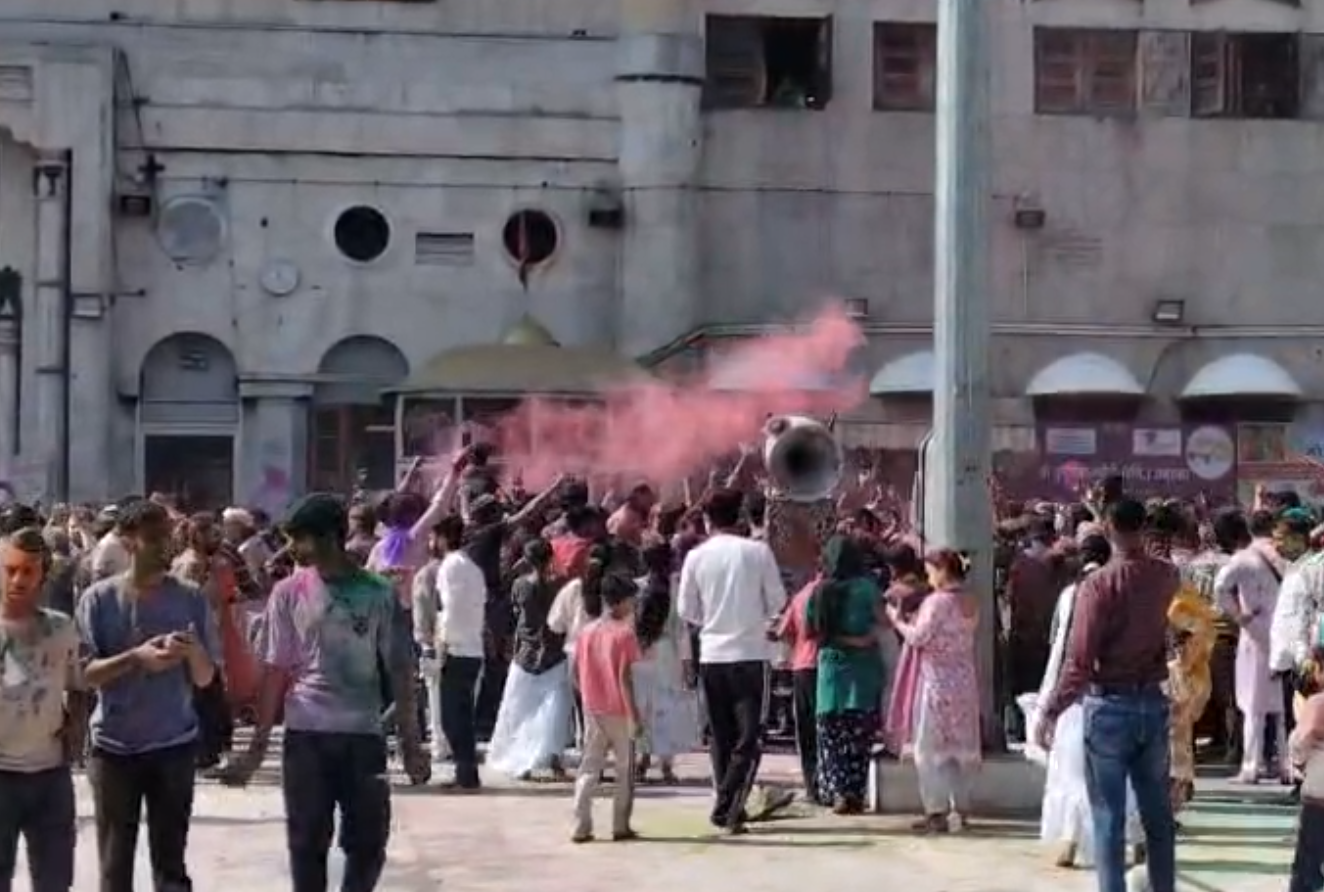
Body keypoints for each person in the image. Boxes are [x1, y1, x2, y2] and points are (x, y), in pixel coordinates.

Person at [221, 493, 428, 892]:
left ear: (331, 537)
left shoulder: (378, 593)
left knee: (368, 845)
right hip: (306, 739)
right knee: (306, 844)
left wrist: (410, 739)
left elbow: (400, 668)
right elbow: (275, 671)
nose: (293, 549)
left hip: (363, 737)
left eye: (301, 539)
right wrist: (258, 747)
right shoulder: (289, 592)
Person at [1036, 498, 1179, 892]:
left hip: (1108, 705)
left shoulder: (1097, 585)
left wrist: (1051, 710)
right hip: (1151, 701)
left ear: (1109, 528)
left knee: (1108, 817)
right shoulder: (1167, 575)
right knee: (1157, 817)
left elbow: (1079, 661)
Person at [77, 498, 218, 892]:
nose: (164, 546)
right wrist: (136, 658)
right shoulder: (99, 601)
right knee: (114, 866)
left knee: (171, 866)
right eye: (153, 538)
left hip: (174, 745)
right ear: (127, 541)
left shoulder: (190, 597)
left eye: (167, 537)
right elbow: (84, 675)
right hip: (113, 748)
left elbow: (206, 679)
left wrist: (192, 652)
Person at [1021, 534, 1143, 868]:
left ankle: (1071, 842)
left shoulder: (1070, 594)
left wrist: (1051, 703)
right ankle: (1133, 840)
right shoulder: (1127, 590)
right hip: (1120, 694)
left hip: (1078, 697)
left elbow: (1061, 651)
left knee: (1073, 774)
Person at [676, 488, 790, 835]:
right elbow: (777, 601)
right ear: (739, 516)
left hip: (712, 654)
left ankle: (728, 805)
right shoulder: (758, 552)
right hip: (751, 655)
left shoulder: (696, 557)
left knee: (722, 736)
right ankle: (728, 804)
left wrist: (713, 621)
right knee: (750, 736)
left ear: (708, 520)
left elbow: (686, 611)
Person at [0, 527, 86, 892]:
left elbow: (78, 684)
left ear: (43, 576)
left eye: (28, 571)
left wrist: (77, 729)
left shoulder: (61, 627)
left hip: (50, 777)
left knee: (54, 881)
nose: (18, 579)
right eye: (10, 569)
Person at [888, 548, 981, 833]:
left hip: (937, 682)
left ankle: (935, 810)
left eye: (930, 571)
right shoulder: (971, 601)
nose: (928, 577)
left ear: (942, 571)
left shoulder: (936, 602)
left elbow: (919, 637)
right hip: (964, 681)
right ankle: (961, 808)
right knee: (960, 748)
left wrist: (897, 620)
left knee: (928, 750)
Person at [806, 535, 884, 815]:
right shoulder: (867, 588)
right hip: (863, 674)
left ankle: (837, 791)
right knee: (859, 739)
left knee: (832, 737)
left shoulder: (819, 591)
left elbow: (811, 633)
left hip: (830, 673)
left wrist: (840, 639)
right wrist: (862, 640)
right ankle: (855, 793)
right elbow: (883, 623)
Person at [487, 538, 573, 781]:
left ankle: (520, 761)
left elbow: (517, 615)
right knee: (556, 712)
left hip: (525, 653)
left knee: (518, 710)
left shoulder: (520, 585)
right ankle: (555, 762)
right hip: (555, 654)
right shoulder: (561, 585)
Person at [570, 573, 644, 844]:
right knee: (624, 770)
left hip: (593, 709)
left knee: (589, 767)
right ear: (621, 602)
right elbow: (625, 677)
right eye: (631, 601)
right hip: (618, 711)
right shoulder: (625, 635)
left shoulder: (586, 631)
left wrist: (587, 695)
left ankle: (580, 825)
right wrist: (634, 715)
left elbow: (575, 671)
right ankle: (620, 824)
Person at [1213, 511, 1285, 783]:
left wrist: (1237, 615)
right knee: (1280, 705)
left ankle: (1251, 766)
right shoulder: (1281, 557)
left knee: (1252, 704)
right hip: (1282, 633)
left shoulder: (1242, 559)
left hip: (1253, 633)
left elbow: (1220, 588)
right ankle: (1284, 763)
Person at [632, 540, 698, 784]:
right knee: (667, 707)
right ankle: (666, 766)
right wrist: (688, 663)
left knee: (644, 706)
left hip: (642, 653)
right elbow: (682, 631)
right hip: (668, 654)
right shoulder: (675, 589)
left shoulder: (637, 588)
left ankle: (642, 758)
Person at [1287, 647, 1324, 892]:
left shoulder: (1317, 702)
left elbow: (1303, 739)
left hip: (1319, 794)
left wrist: (1298, 762)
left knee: (1306, 868)